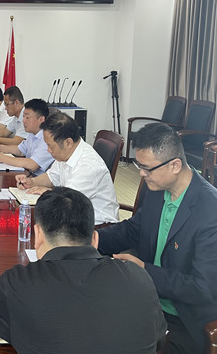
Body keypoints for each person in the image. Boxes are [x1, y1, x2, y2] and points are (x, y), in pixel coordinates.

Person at [0, 187, 167, 354]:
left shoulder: (18, 282)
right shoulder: (139, 278)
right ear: (95, 239)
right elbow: (157, 338)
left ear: (38, 235)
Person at [98, 122, 217, 353]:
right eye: (138, 165)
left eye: (147, 168)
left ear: (175, 165)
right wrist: (92, 239)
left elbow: (202, 288)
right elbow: (133, 230)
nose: (141, 174)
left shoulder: (210, 211)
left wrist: (144, 270)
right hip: (148, 301)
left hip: (184, 320)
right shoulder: (157, 190)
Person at [15, 112, 119, 225]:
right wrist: (31, 182)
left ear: (68, 142)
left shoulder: (88, 166)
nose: (48, 150)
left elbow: (67, 202)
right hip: (73, 217)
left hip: (96, 227)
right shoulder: (66, 153)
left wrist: (47, 193)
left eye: (50, 146)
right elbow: (51, 177)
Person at [0, 98, 54, 175]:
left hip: (38, 179)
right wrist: (0, 147)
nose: (23, 121)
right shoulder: (32, 134)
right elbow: (20, 150)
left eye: (27, 117)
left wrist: (2, 158)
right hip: (29, 175)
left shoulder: (47, 138)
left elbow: (33, 164)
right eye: (23, 117)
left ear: (41, 119)